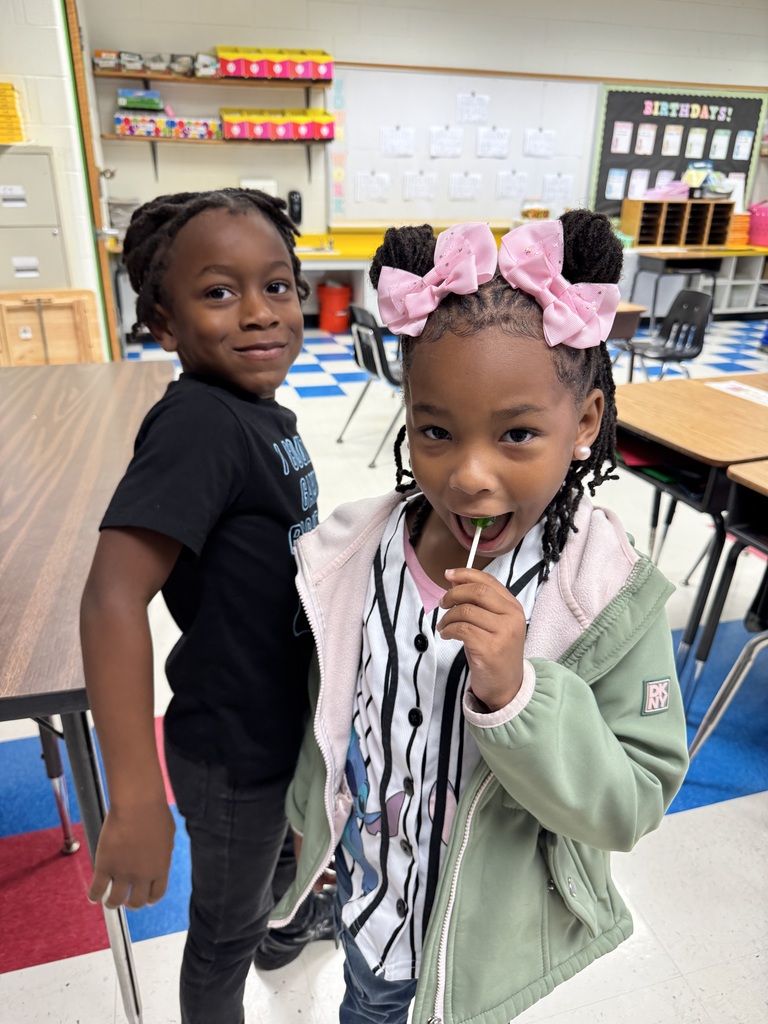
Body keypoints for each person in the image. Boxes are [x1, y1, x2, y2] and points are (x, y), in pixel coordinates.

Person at [269, 211, 690, 1024]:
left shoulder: (602, 598)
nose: (468, 477)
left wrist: (517, 695)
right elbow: (338, 720)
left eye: (518, 434)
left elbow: (631, 804)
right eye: (435, 431)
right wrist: (309, 828)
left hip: (472, 952)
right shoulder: (358, 555)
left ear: (587, 425)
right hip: (366, 908)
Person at [80, 188, 334, 1024]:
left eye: (279, 286)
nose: (260, 313)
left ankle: (280, 928)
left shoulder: (255, 413)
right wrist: (135, 792)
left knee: (281, 867)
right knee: (220, 935)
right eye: (219, 293)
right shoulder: (199, 424)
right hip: (233, 751)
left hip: (280, 720)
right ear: (164, 324)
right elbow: (112, 598)